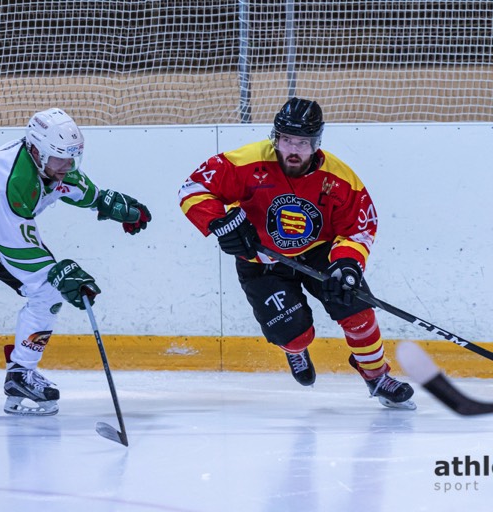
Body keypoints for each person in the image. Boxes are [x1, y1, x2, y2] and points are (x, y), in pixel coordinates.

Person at [178, 97, 415, 410]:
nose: (292, 149)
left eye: (302, 143)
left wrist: (346, 264)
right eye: (286, 140)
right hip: (261, 262)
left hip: (320, 254)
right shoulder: (248, 162)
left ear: (316, 143)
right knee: (296, 336)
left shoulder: (340, 179)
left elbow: (359, 227)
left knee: (358, 313)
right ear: (275, 137)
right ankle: (295, 350)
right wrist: (220, 223)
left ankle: (376, 376)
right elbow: (193, 188)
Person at [0, 107, 151, 416]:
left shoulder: (50, 163)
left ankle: (21, 374)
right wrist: (57, 271)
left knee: (47, 291)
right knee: (48, 281)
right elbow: (18, 247)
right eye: (62, 159)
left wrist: (105, 202)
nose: (68, 165)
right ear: (36, 150)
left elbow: (74, 186)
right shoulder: (7, 180)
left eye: (73, 157)